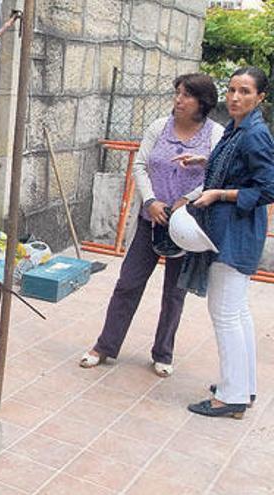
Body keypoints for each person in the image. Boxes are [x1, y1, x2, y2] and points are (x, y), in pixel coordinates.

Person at [80, 73, 223, 377]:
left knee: (174, 292)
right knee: (128, 283)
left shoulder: (215, 136)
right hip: (151, 221)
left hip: (186, 227)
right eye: (177, 93)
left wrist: (188, 198)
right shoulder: (159, 127)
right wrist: (150, 200)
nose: (178, 100)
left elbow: (217, 176)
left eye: (186, 95)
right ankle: (105, 346)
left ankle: (163, 352)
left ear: (203, 102)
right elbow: (141, 165)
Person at [176, 67, 274, 418]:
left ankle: (231, 397)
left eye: (245, 91)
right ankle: (242, 387)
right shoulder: (237, 130)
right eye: (232, 90)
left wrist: (218, 192)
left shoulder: (254, 135)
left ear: (260, 97)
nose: (235, 97)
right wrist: (206, 160)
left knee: (226, 313)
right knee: (237, 312)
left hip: (236, 233)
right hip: (230, 231)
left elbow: (267, 189)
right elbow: (241, 169)